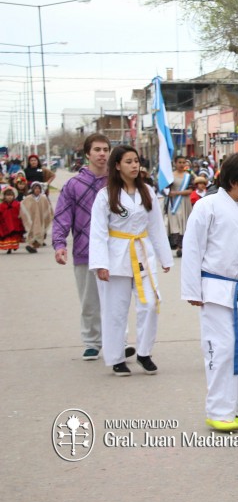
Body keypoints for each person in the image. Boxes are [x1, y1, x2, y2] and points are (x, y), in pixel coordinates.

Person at [181, 152, 238, 432]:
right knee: (222, 348)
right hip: (216, 289)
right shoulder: (208, 206)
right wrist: (192, 289)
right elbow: (193, 248)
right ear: (232, 181)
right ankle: (218, 410)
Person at [89, 146, 173, 376]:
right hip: (116, 256)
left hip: (143, 254)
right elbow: (97, 232)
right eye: (128, 162)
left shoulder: (146, 191)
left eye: (136, 161)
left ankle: (144, 353)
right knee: (115, 310)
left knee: (150, 304)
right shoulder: (106, 195)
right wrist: (100, 264)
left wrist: (165, 257)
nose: (134, 165)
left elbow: (156, 226)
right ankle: (116, 357)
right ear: (117, 165)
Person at [52, 134, 112, 361]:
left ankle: (118, 341)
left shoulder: (115, 183)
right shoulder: (74, 185)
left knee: (116, 301)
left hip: (115, 250)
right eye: (97, 149)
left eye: (105, 149)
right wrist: (59, 244)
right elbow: (62, 217)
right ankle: (92, 342)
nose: (102, 154)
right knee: (89, 301)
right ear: (87, 153)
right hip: (84, 251)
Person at [163, 155, 194, 258]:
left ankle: (182, 246)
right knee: (175, 223)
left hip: (184, 202)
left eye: (183, 162)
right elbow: (164, 188)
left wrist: (178, 192)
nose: (181, 164)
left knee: (184, 222)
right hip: (174, 204)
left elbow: (190, 190)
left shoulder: (188, 176)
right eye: (179, 162)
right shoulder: (170, 176)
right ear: (175, 163)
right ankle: (177, 246)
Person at [20, 181, 54, 253]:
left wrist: (50, 214)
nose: (37, 190)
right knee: (32, 231)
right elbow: (22, 206)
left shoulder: (43, 198)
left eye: (39, 188)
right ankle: (32, 245)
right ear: (32, 189)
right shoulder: (28, 198)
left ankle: (34, 246)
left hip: (41, 218)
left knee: (40, 231)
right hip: (32, 219)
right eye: (35, 188)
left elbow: (48, 208)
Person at [0, 187, 25, 253]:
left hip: (15, 223)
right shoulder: (2, 206)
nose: (9, 197)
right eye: (7, 195)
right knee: (7, 237)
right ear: (4, 196)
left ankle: (14, 246)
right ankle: (9, 248)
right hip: (5, 224)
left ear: (13, 196)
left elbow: (22, 212)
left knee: (14, 236)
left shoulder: (17, 204)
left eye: (11, 195)